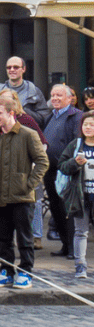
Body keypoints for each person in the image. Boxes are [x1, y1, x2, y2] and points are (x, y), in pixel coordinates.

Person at [0, 96, 49, 289]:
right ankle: (6, 270)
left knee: (24, 237)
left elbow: (42, 162)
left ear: (11, 113)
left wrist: (28, 184)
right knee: (3, 238)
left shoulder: (28, 134)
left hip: (21, 197)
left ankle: (26, 272)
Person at [40, 82, 83, 260]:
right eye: (53, 95)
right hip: (50, 171)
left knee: (69, 211)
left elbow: (77, 142)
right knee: (56, 209)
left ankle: (73, 249)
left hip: (67, 171)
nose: (55, 98)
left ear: (69, 98)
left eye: (59, 95)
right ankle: (65, 245)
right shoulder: (51, 116)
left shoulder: (76, 116)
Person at [65, 113, 94, 280]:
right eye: (85, 124)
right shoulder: (76, 145)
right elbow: (62, 165)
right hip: (80, 195)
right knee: (80, 231)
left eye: (91, 124)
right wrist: (75, 163)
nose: (88, 127)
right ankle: (80, 265)